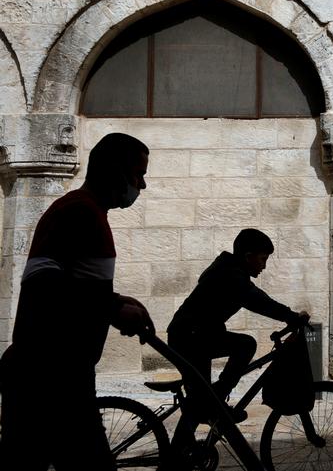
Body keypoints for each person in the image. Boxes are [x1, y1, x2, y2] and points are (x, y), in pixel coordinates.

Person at [0, 132, 155, 470]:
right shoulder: (77, 212)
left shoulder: (89, 213)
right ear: (115, 171)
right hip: (49, 378)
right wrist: (113, 309)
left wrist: (115, 299)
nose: (141, 185)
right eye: (137, 174)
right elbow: (44, 286)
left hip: (60, 375)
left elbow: (73, 284)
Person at [167, 228, 308, 458]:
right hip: (190, 339)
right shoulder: (231, 275)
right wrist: (291, 316)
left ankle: (177, 454)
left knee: (198, 404)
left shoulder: (229, 269)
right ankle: (218, 402)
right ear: (248, 256)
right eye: (262, 259)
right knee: (245, 345)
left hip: (192, 336)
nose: (264, 266)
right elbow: (258, 301)